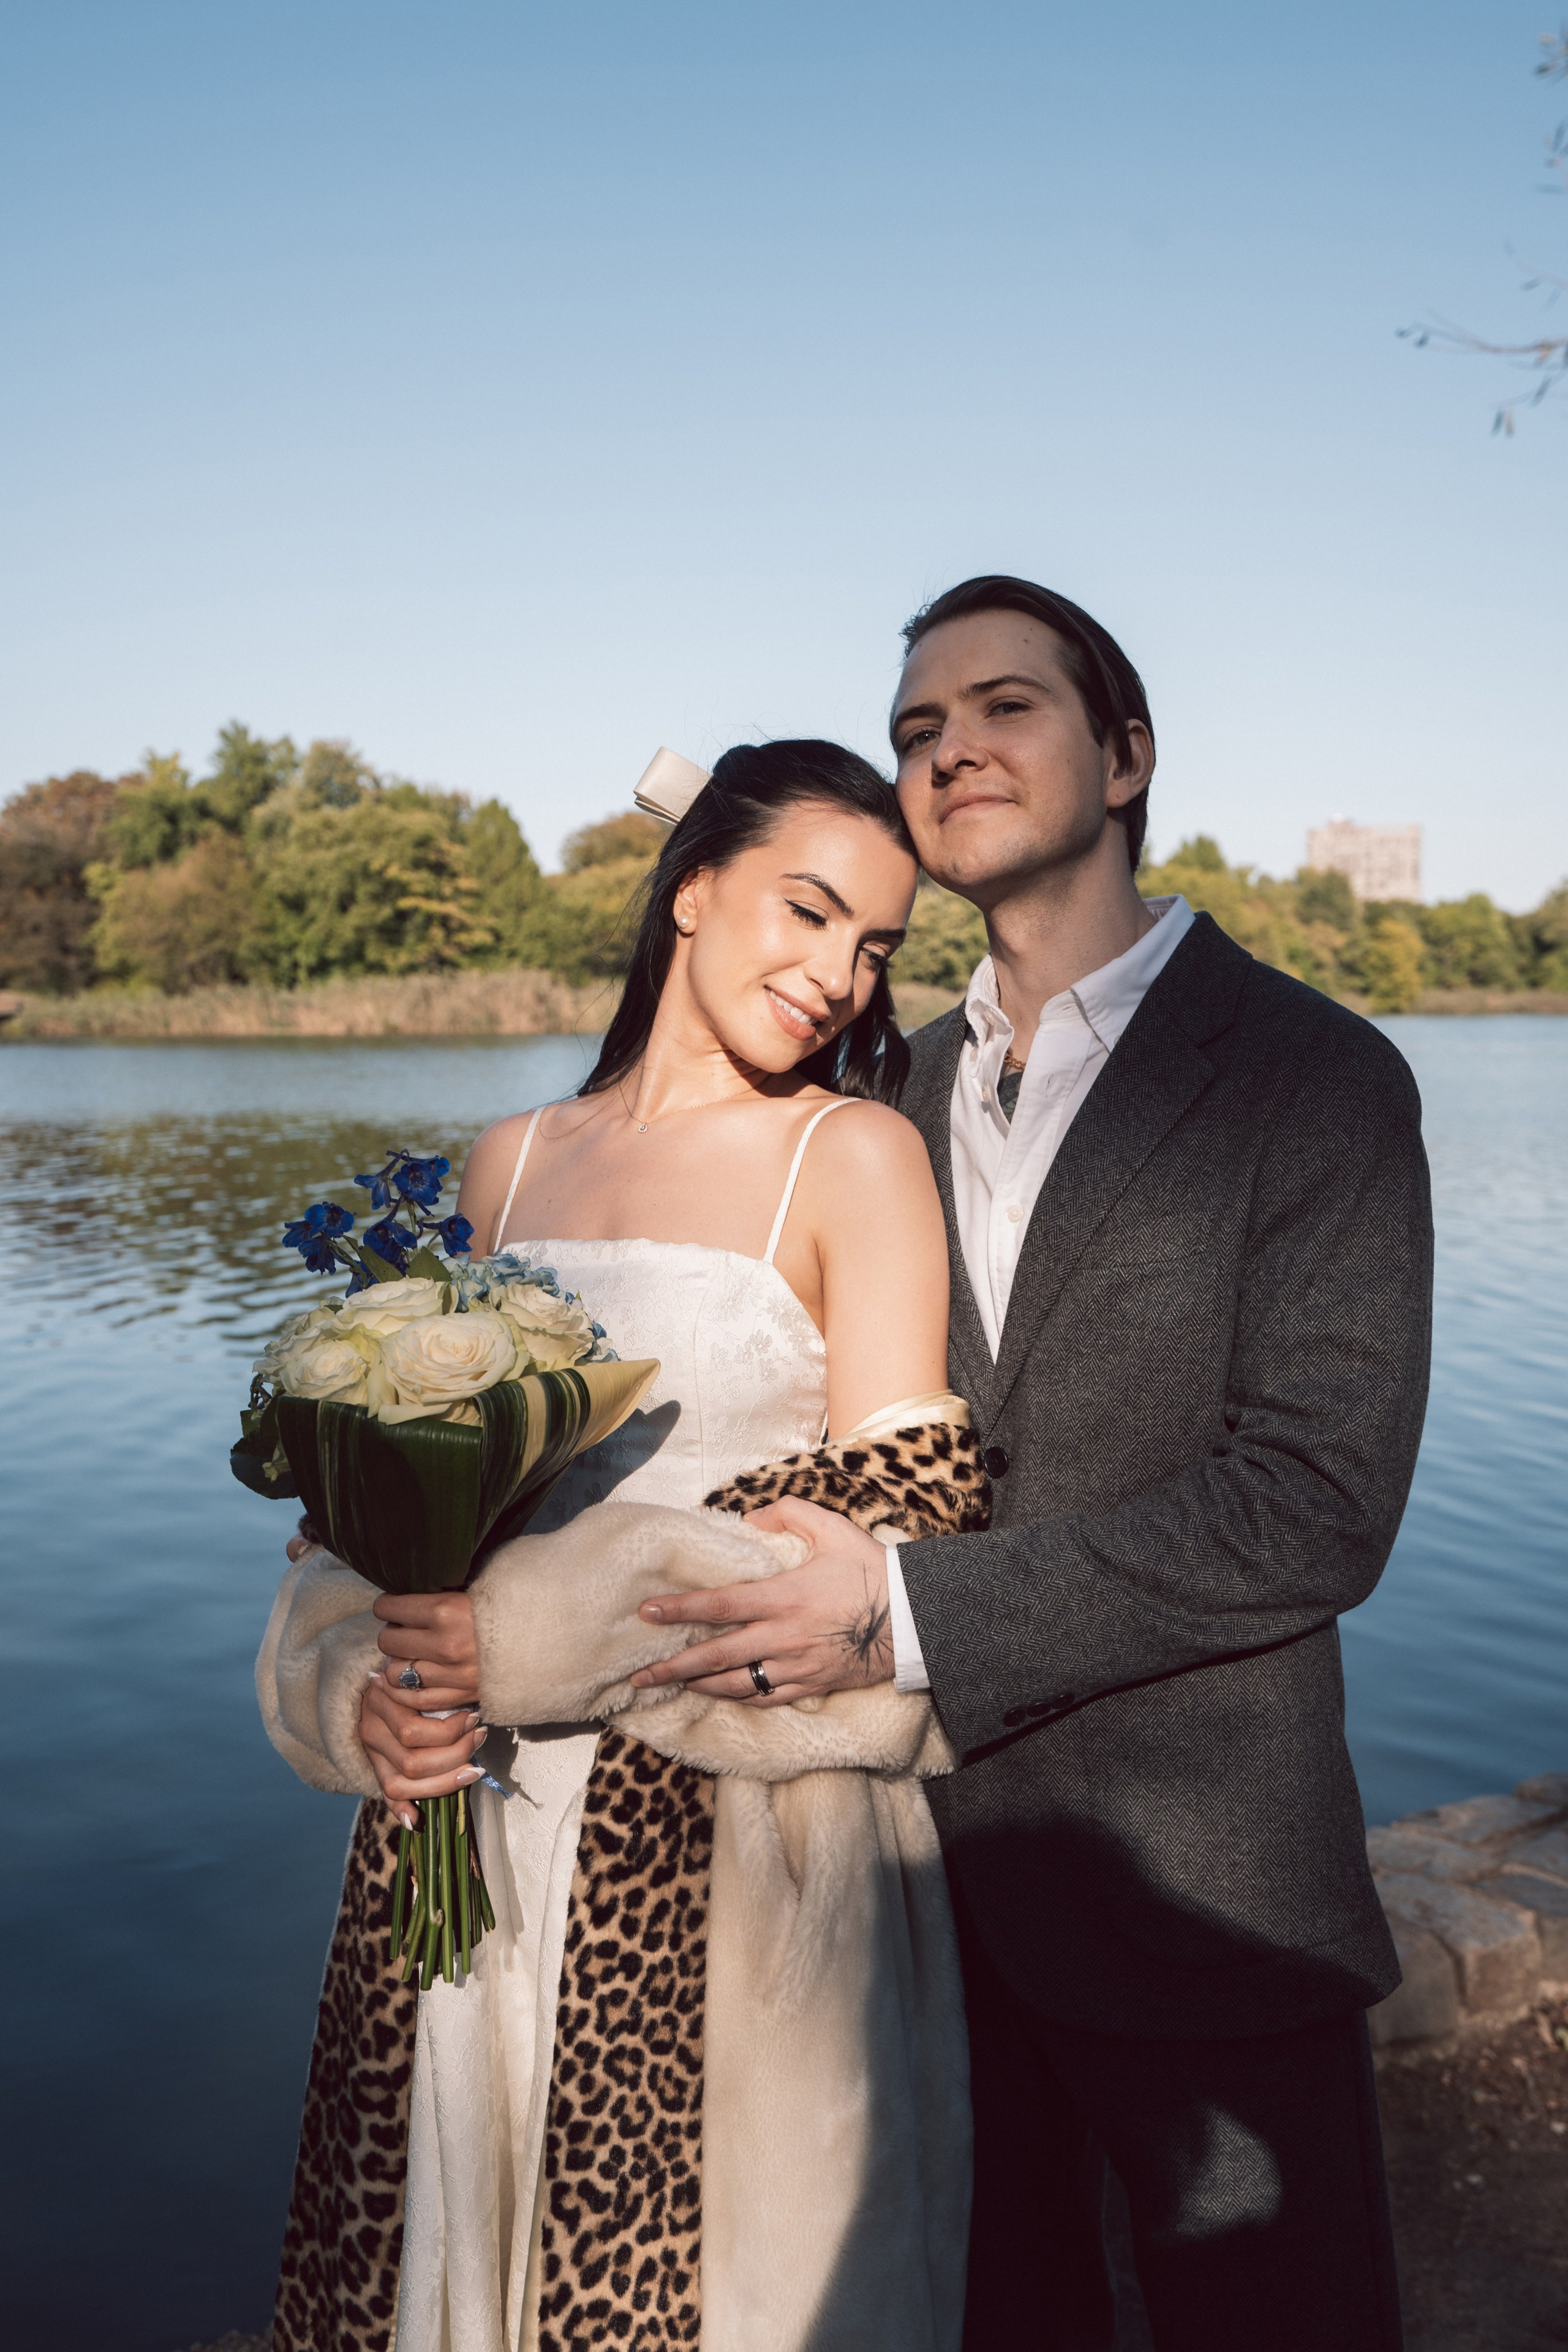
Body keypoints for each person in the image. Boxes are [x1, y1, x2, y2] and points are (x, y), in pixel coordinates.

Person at [631, 578, 1434, 2350]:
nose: (952, 749)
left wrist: (908, 1608)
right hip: (920, 1906)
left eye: (1007, 707)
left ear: (1125, 755)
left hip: (1209, 1892)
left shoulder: (1317, 1075)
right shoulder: (875, 1101)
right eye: (918, 728)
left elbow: (1317, 1505)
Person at [259, 737, 983, 2352]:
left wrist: (529, 1631)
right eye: (809, 912)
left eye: (876, 947)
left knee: (700, 2286)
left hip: (725, 1831)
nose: (840, 977)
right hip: (472, 1807)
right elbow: (396, 1496)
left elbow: (910, 1503)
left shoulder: (853, 1155)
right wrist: (372, 1683)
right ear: (694, 889)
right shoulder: (510, 1158)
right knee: (448, 2246)